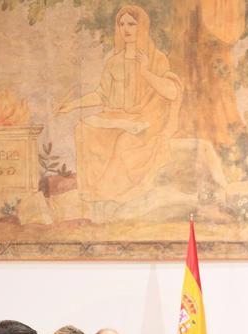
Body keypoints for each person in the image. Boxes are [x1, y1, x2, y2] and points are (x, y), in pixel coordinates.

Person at [56, 4, 181, 222]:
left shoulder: (156, 58)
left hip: (146, 121)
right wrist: (73, 105)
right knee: (82, 129)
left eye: (131, 23)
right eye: (121, 24)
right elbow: (101, 95)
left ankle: (119, 200)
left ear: (142, 26)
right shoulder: (114, 61)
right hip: (118, 118)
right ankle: (95, 198)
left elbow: (171, 92)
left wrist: (145, 71)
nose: (126, 29)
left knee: (125, 142)